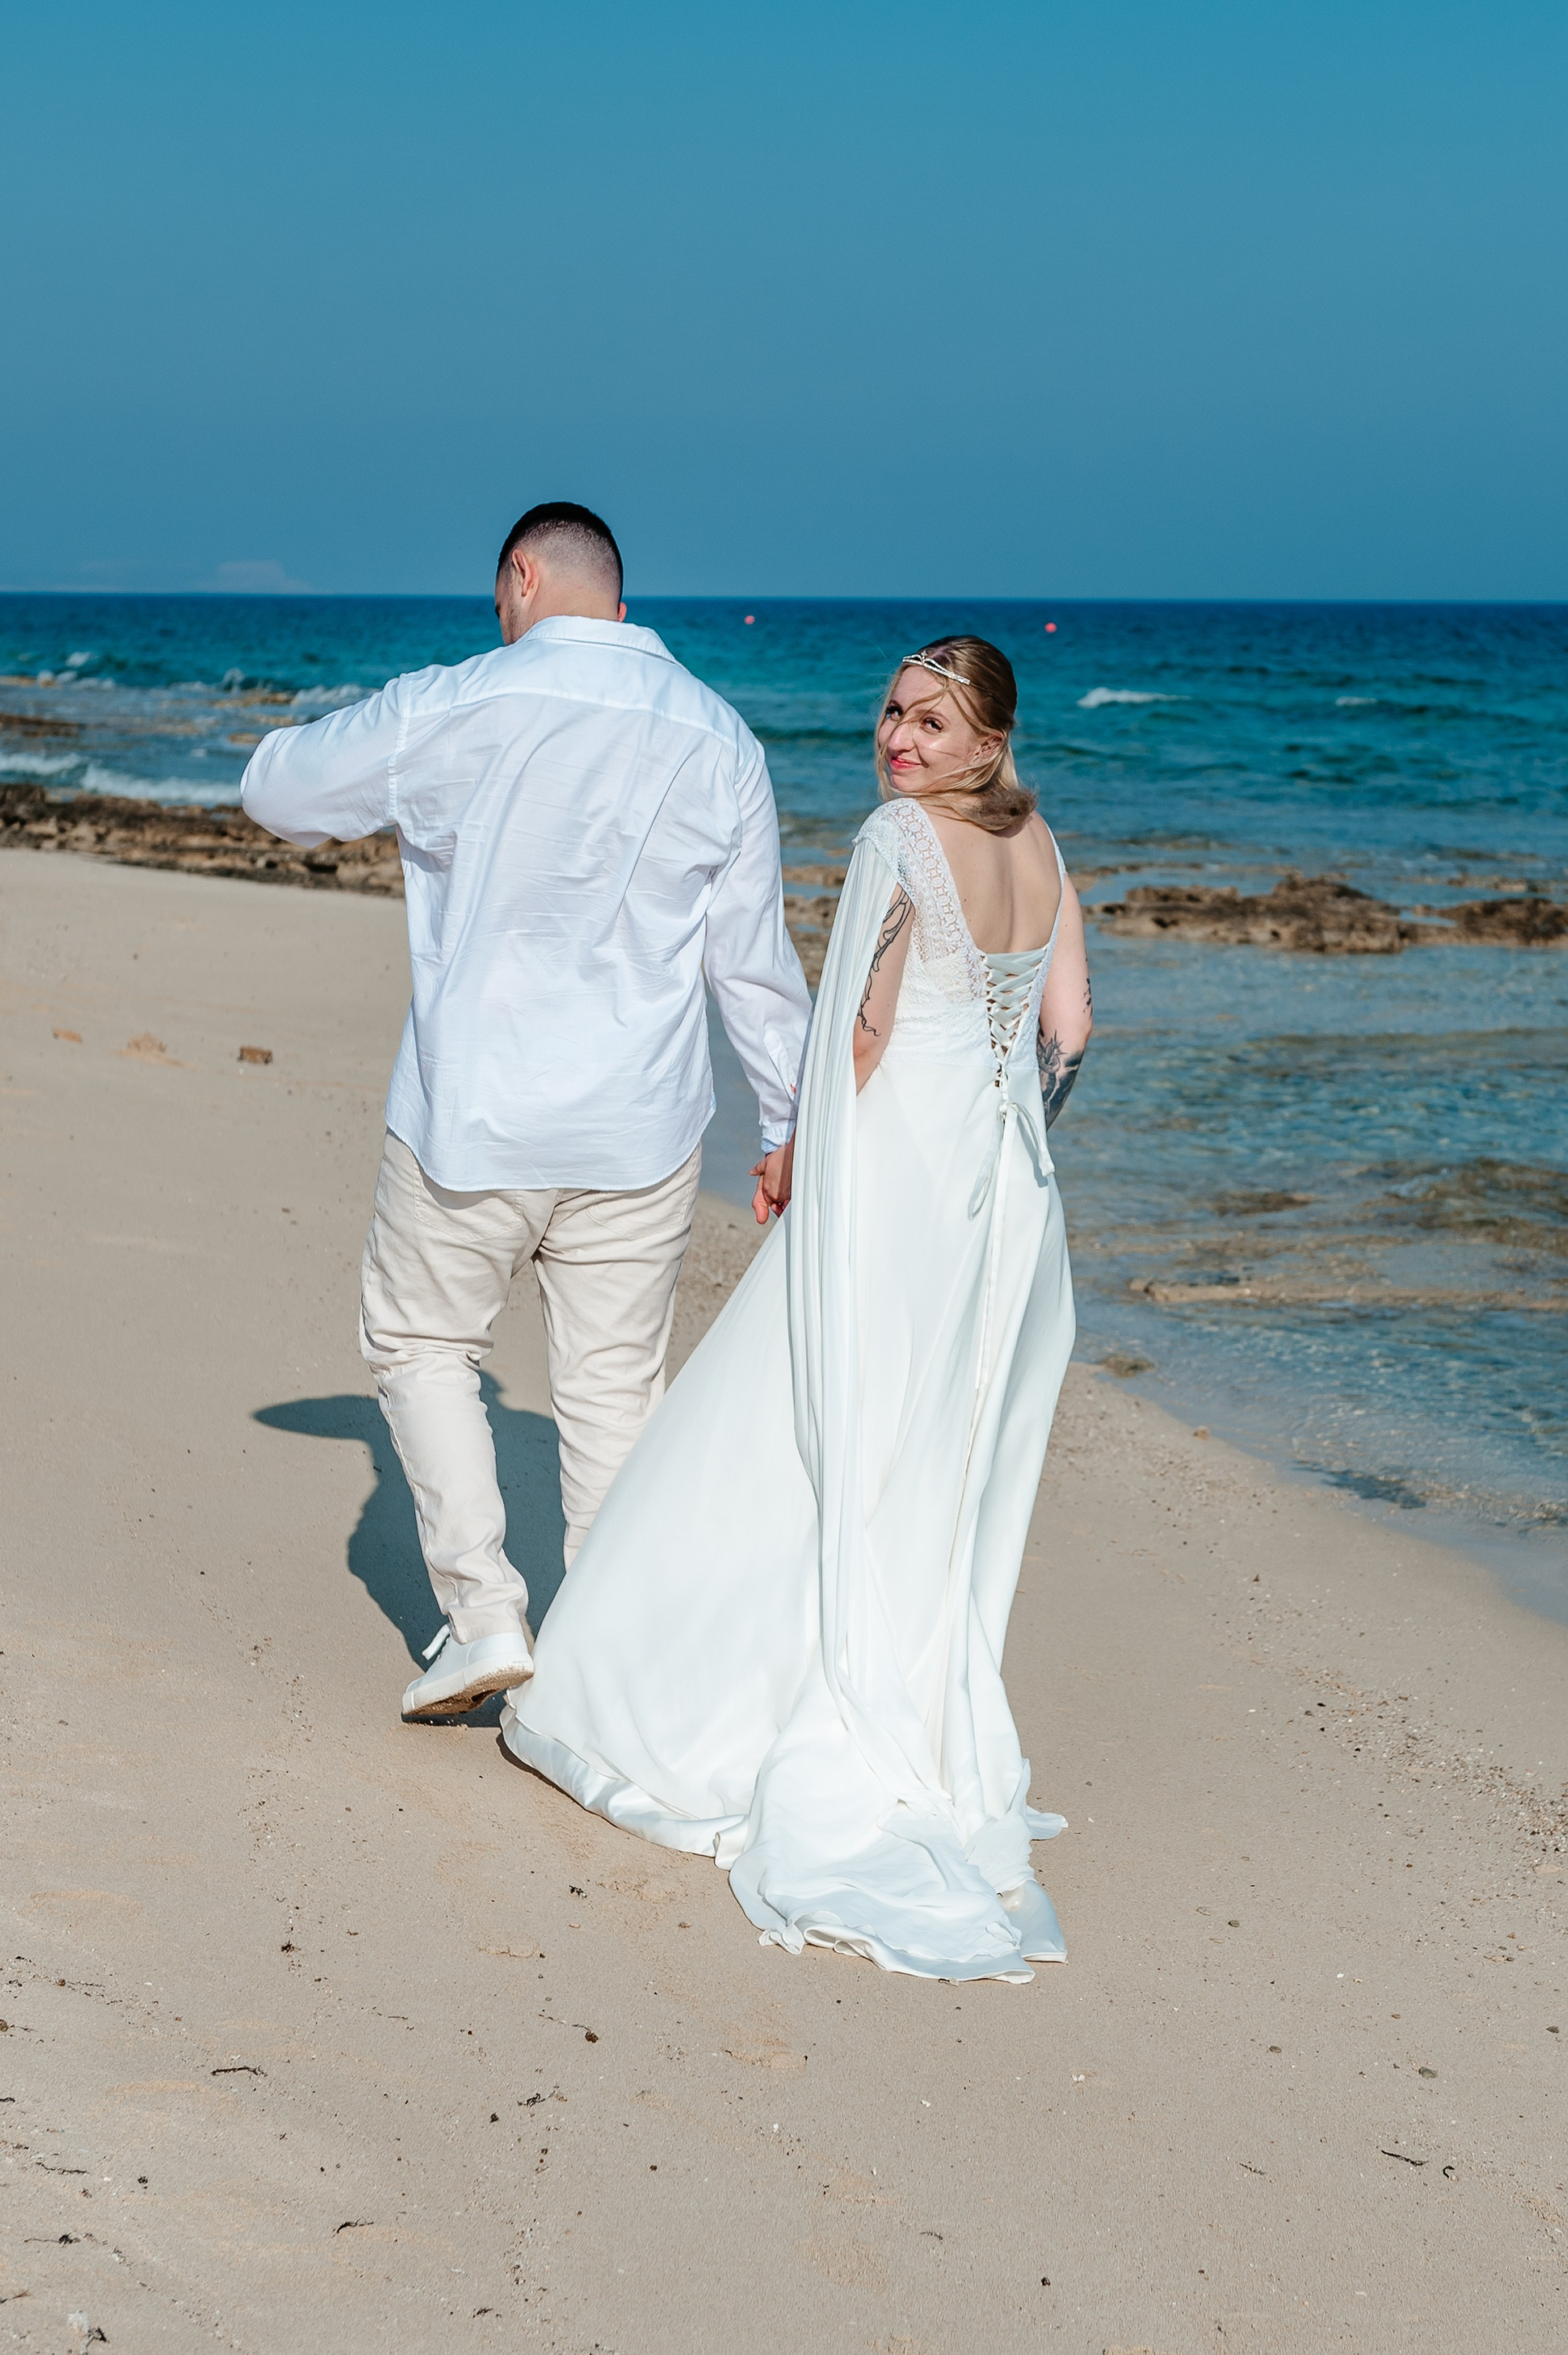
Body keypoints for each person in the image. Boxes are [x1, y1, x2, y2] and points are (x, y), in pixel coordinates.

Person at [504, 636, 1092, 1983]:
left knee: (797, 1413)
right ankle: (909, 1709)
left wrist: (796, 1152)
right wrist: (998, 1143)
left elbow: (862, 1035)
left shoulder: (898, 839)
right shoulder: (1044, 846)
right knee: (916, 1452)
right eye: (892, 713)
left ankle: (709, 1703)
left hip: (886, 1178)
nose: (899, 739)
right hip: (999, 1200)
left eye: (931, 722)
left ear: (984, 739)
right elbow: (1065, 1033)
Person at [241, 503, 812, 1722]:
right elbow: (751, 963)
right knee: (612, 1393)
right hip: (639, 1132)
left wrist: (340, 744)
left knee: (420, 1345)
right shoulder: (719, 737)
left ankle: (485, 1615)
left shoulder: (456, 702)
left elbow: (278, 793)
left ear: (521, 577)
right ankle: (601, 1664)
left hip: (475, 1118)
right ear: (616, 596)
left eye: (500, 596)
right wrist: (785, 1118)